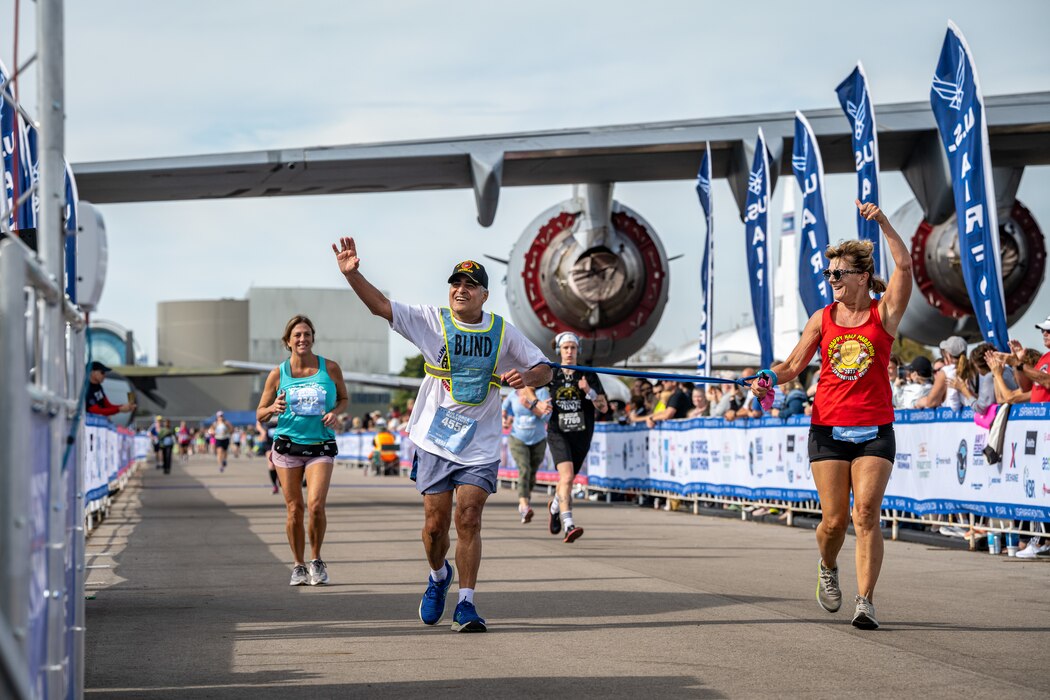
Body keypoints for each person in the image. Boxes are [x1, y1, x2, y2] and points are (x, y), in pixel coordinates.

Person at [333, 239, 552, 632]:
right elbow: (381, 307)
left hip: (480, 444)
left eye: (470, 285)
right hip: (434, 440)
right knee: (435, 528)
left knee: (469, 519)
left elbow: (544, 367)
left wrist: (528, 376)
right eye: (455, 283)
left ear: (484, 294)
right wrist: (352, 274)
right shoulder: (431, 321)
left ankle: (466, 604)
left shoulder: (503, 331)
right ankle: (438, 577)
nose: (461, 290)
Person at [751, 200, 911, 630]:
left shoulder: (884, 313)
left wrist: (883, 223)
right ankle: (827, 565)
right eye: (829, 274)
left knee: (866, 515)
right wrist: (767, 376)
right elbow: (791, 366)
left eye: (838, 273)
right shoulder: (822, 318)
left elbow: (906, 267)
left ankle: (866, 601)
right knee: (834, 521)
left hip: (875, 428)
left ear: (861, 276)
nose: (832, 280)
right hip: (827, 429)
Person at [257, 315, 348, 586]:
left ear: (312, 338)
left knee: (315, 505)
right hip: (287, 446)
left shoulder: (330, 368)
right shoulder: (278, 374)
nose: (302, 339)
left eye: (307, 334)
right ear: (288, 341)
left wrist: (335, 413)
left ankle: (316, 559)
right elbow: (260, 413)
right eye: (297, 335)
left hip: (320, 445)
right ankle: (298, 564)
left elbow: (344, 399)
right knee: (294, 509)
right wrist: (273, 408)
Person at [543, 332, 607, 543]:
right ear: (559, 351)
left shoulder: (587, 375)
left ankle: (554, 506)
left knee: (566, 480)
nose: (569, 352)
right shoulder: (552, 372)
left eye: (572, 348)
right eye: (565, 348)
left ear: (578, 350)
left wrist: (589, 391)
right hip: (557, 431)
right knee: (568, 477)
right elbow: (525, 388)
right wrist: (538, 404)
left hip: (582, 434)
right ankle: (568, 523)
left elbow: (604, 406)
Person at [502, 386, 552, 523]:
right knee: (524, 469)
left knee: (532, 473)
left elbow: (548, 417)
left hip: (538, 439)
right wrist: (504, 419)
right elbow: (503, 407)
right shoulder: (513, 394)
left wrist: (530, 406)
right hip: (518, 438)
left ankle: (525, 501)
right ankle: (524, 506)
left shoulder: (542, 393)